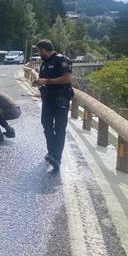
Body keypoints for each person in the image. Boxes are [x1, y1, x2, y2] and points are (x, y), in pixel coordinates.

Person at [33, 39, 73, 171]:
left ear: (45, 49)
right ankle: (51, 153)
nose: (39, 53)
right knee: (46, 125)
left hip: (60, 99)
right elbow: (44, 80)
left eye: (39, 51)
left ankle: (57, 157)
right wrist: (39, 82)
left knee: (60, 128)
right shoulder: (45, 64)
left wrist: (47, 81)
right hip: (48, 99)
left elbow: (67, 78)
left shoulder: (60, 60)